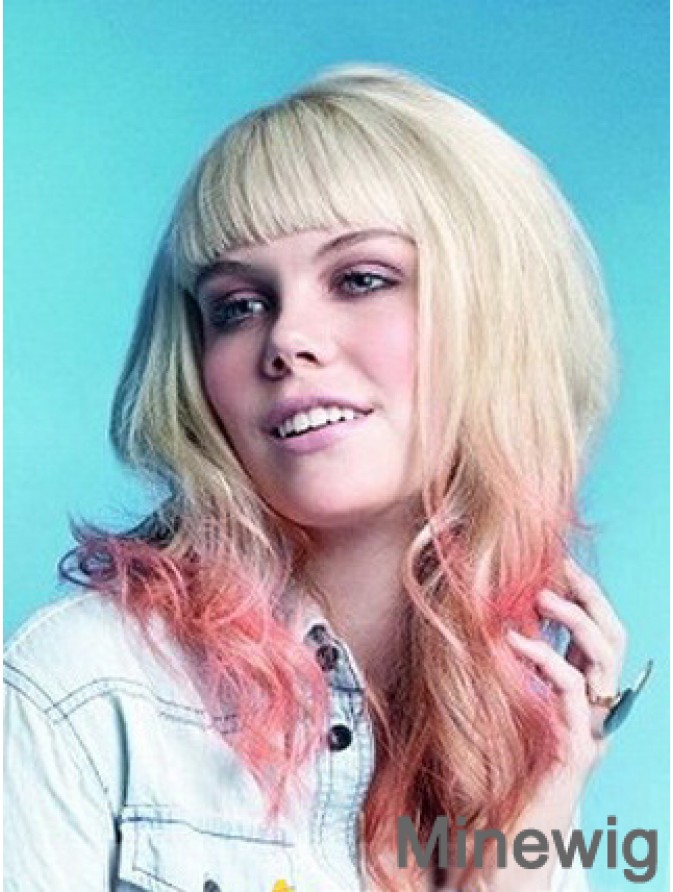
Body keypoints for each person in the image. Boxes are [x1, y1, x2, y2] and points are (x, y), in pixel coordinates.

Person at [4, 64, 651, 892]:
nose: (286, 339)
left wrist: (533, 817)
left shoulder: (512, 717)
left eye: (360, 279)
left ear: (495, 316)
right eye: (237, 306)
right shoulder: (80, 689)